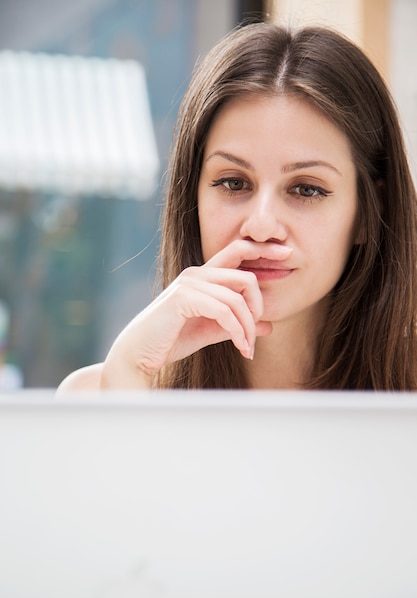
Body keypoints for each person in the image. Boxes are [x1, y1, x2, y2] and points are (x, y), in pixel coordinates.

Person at [57, 20, 417, 393]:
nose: (261, 226)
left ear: (369, 212)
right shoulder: (100, 393)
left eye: (306, 189)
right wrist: (130, 371)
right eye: (233, 183)